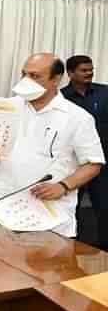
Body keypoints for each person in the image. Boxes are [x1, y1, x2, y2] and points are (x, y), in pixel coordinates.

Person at [0, 53, 105, 238]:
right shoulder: (7, 108)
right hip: (3, 209)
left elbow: (93, 164)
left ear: (56, 80)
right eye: (24, 74)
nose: (26, 81)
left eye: (35, 76)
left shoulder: (77, 117)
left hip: (50, 218)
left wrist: (63, 186)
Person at [61, 55, 108, 249]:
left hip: (101, 161)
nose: (89, 73)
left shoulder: (105, 92)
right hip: (73, 164)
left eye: (91, 69)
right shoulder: (60, 97)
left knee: (104, 207)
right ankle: (73, 249)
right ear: (70, 73)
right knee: (71, 208)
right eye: (84, 70)